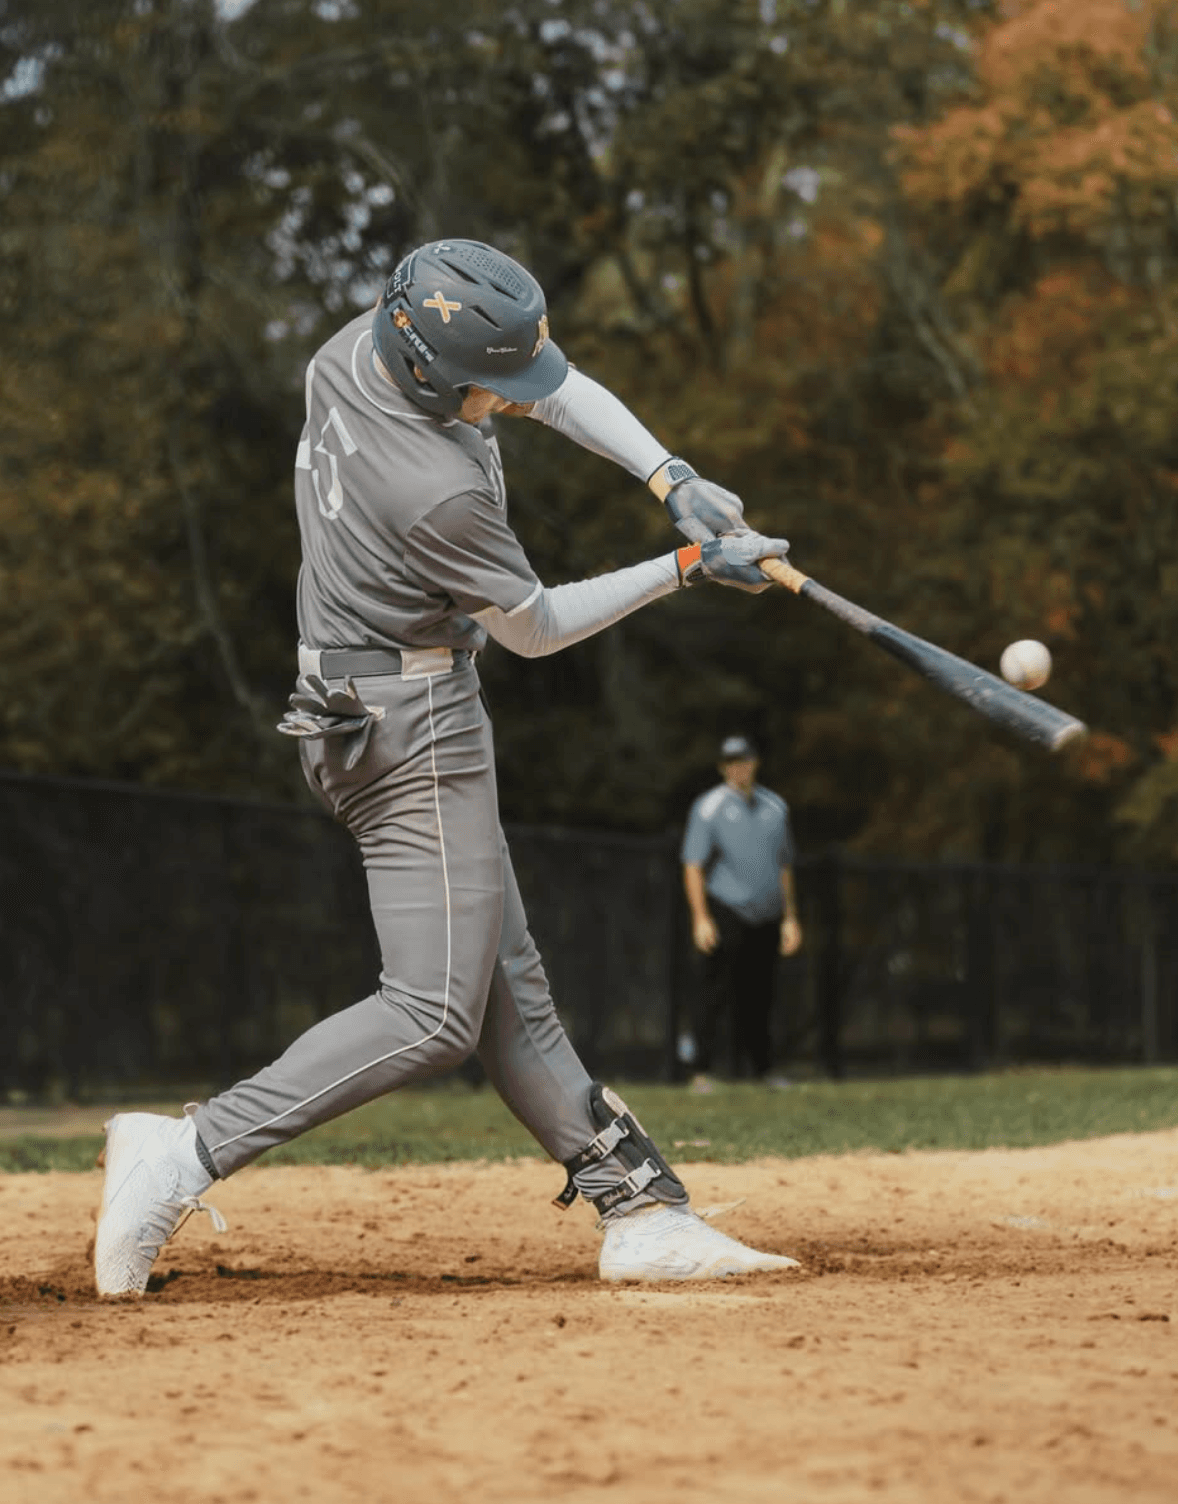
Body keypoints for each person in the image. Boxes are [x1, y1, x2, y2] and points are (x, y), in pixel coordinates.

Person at [94, 237, 800, 1295]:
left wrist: (673, 477)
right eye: (492, 388)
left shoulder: (348, 351)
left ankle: (637, 1208)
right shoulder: (433, 491)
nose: (515, 402)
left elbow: (554, 393)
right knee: (432, 1009)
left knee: (502, 977)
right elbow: (536, 629)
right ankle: (183, 1153)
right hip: (410, 729)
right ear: (431, 370)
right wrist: (689, 562)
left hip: (355, 696)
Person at [681, 735, 803, 1092]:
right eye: (732, 761)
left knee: (761, 994)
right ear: (722, 767)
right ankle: (699, 1070)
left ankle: (764, 1069)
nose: (739, 767)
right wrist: (701, 917)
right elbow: (692, 865)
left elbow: (785, 865)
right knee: (714, 991)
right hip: (727, 908)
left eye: (744, 759)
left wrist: (791, 917)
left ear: (755, 762)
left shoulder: (775, 807)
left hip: (767, 913)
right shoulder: (708, 807)